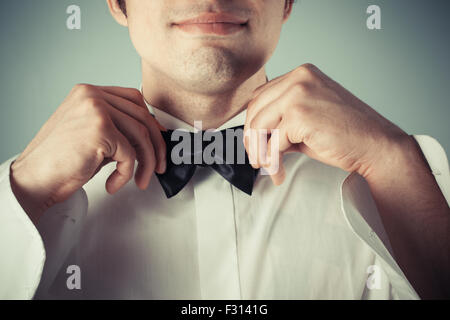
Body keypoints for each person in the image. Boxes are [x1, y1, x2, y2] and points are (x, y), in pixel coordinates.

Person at [0, 0, 448, 300]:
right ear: (118, 2)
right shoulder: (22, 203)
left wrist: (394, 161)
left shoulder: (402, 176)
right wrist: (22, 191)